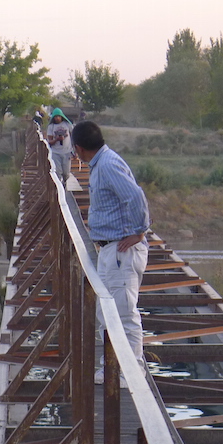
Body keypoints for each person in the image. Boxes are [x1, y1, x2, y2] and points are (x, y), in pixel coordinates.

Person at [71, 121, 151, 385]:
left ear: (79, 148)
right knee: (106, 312)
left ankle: (132, 372)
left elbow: (135, 196)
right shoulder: (101, 164)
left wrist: (140, 231)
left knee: (124, 312)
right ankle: (112, 367)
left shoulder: (107, 165)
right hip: (109, 249)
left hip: (121, 250)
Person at [46, 108, 73, 181]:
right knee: (58, 172)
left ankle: (65, 184)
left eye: (58, 116)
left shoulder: (67, 125)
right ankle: (59, 186)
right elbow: (49, 142)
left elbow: (73, 136)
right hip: (56, 152)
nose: (57, 118)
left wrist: (74, 150)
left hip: (67, 151)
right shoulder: (51, 127)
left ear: (61, 116)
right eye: (55, 117)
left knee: (66, 173)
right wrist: (56, 139)